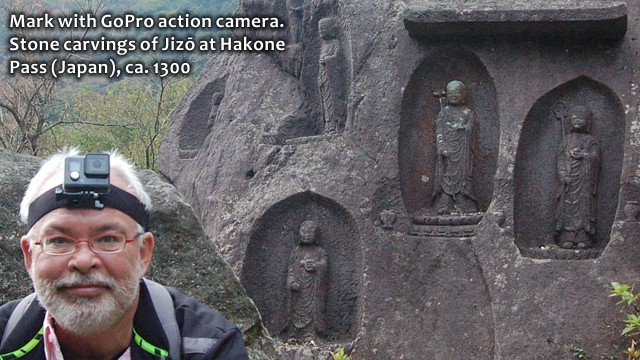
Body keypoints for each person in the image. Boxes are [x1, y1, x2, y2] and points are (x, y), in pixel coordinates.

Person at [0, 149, 248, 359]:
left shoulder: (206, 346)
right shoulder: (4, 337)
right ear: (30, 256)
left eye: (108, 239)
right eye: (59, 240)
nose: (84, 261)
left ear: (143, 253)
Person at [556, 105, 600, 249]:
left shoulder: (591, 141)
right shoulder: (566, 140)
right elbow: (561, 161)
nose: (578, 121)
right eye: (575, 118)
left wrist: (584, 155)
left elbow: (595, 157)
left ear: (588, 122)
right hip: (569, 182)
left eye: (581, 118)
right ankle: (566, 237)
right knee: (567, 208)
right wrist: (563, 176)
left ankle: (583, 238)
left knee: (584, 208)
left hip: (584, 181)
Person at [432, 80, 479, 215]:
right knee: (446, 174)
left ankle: (462, 200)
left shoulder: (467, 113)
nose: (453, 96)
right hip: (447, 151)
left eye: (457, 93)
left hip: (462, 151)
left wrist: (464, 129)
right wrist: (441, 146)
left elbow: (470, 129)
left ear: (463, 95)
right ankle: (445, 201)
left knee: (463, 175)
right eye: (451, 93)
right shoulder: (443, 113)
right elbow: (439, 131)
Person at [285, 220, 328, 340]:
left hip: (313, 288)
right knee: (295, 308)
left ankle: (309, 332)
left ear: (316, 235)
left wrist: (316, 266)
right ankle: (293, 333)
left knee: (313, 309)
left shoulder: (320, 252)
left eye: (310, 232)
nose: (307, 235)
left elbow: (324, 265)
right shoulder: (296, 251)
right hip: (298, 287)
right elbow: (291, 270)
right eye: (304, 232)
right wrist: (292, 282)